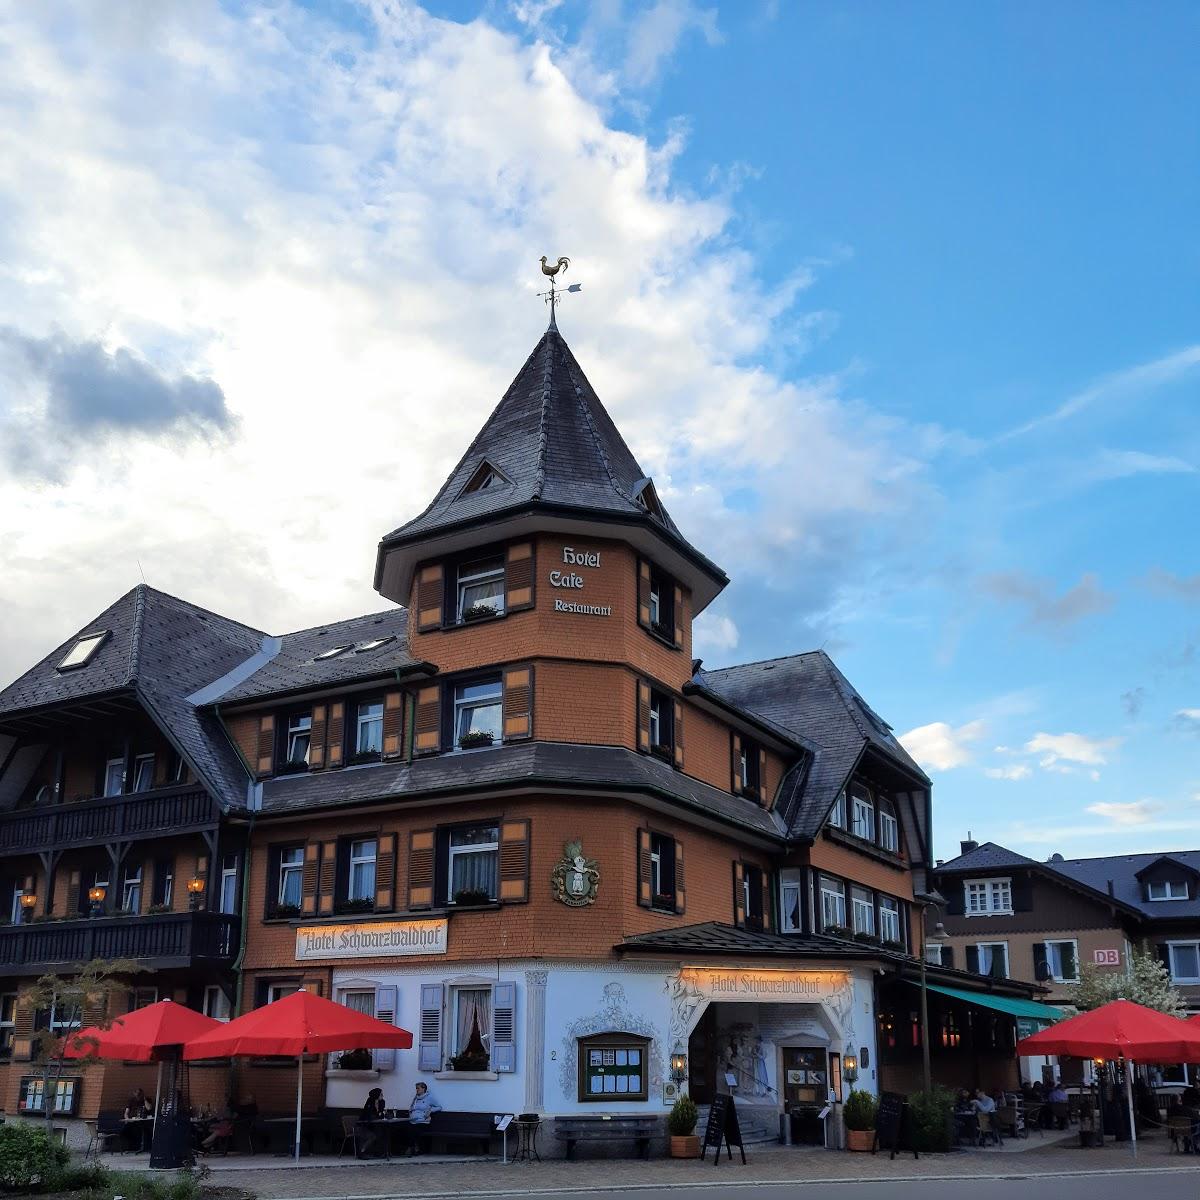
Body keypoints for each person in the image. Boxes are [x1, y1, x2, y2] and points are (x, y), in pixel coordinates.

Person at [403, 1082, 442, 1156]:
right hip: (413, 1120)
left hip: (423, 1121)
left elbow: (439, 1107)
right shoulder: (415, 1098)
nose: (417, 1090)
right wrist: (410, 1111)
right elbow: (412, 1108)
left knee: (414, 1130)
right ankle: (413, 1148)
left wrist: (430, 1111)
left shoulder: (429, 1098)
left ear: (423, 1089)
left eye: (418, 1088)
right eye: (416, 1088)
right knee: (406, 1128)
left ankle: (412, 1148)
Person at [356, 1087, 387, 1158]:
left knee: (381, 1133)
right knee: (372, 1135)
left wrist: (378, 1114)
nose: (383, 1096)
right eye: (381, 1094)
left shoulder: (382, 1102)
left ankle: (379, 1152)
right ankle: (361, 1152)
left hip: (375, 1124)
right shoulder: (370, 1101)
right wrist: (378, 1113)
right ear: (377, 1095)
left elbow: (382, 1114)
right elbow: (368, 1114)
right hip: (365, 1124)